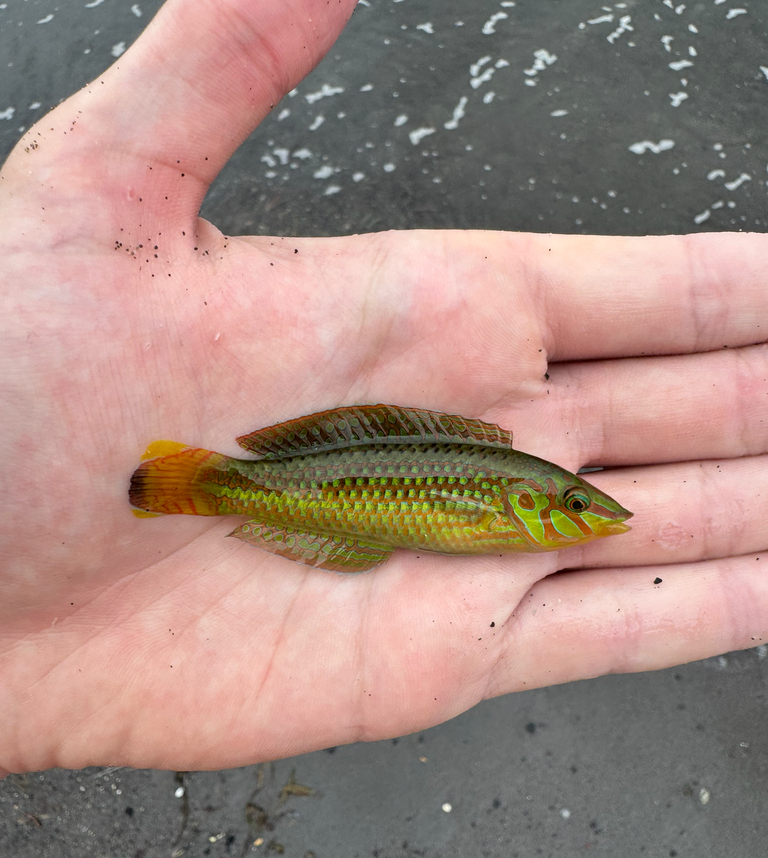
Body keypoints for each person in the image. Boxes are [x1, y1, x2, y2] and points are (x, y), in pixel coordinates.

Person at [1, 0, 766, 777]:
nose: (590, 511)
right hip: (262, 495)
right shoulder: (504, 498)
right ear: (529, 506)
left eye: (576, 500)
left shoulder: (508, 498)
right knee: (323, 531)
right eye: (572, 501)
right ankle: (206, 482)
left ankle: (216, 484)